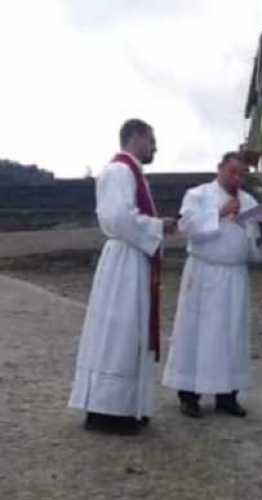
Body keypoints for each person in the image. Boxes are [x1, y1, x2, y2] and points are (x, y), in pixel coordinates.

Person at [68, 119, 177, 435]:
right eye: (151, 139)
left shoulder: (132, 172)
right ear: (137, 136)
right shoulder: (119, 171)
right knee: (119, 332)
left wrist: (157, 226)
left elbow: (127, 216)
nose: (155, 147)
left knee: (131, 334)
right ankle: (107, 410)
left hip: (133, 258)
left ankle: (127, 406)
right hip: (124, 261)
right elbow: (117, 217)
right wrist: (158, 226)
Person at [161, 152, 262, 418]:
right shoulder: (198, 195)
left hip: (235, 275)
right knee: (196, 333)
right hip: (204, 273)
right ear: (220, 168)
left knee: (231, 334)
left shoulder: (249, 201)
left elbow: (254, 249)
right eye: (233, 172)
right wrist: (218, 214)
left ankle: (227, 394)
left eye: (242, 174)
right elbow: (185, 226)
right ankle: (189, 394)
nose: (237, 178)